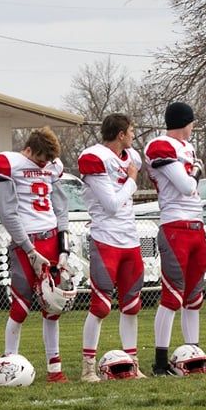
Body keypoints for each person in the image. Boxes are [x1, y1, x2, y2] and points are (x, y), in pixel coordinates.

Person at [0, 128, 69, 381]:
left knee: (53, 304)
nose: (44, 164)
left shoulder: (52, 166)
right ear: (28, 150)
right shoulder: (9, 163)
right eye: (40, 158)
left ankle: (54, 368)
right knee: (21, 307)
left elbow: (61, 206)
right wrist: (28, 249)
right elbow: (6, 212)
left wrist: (64, 245)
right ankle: (8, 365)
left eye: (48, 160)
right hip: (28, 242)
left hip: (51, 239)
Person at [77, 114, 143, 380]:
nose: (133, 135)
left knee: (132, 305)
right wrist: (132, 181)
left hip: (130, 238)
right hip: (106, 237)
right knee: (101, 306)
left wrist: (130, 180)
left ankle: (132, 363)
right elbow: (111, 204)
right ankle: (88, 367)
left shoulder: (132, 157)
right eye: (131, 131)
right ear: (120, 134)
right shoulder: (95, 157)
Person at [144, 102, 204, 376]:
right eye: (191, 122)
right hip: (175, 225)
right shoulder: (161, 145)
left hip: (195, 224)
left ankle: (193, 353)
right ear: (184, 122)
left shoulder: (186, 149)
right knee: (172, 296)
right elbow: (186, 185)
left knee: (194, 296)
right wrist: (196, 173)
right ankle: (160, 361)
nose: (193, 127)